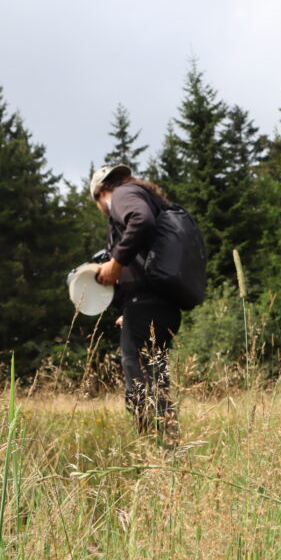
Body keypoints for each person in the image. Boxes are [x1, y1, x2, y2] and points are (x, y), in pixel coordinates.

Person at [90, 164, 182, 444]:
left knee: (140, 386)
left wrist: (116, 264)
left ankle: (154, 451)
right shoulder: (150, 198)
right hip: (162, 304)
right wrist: (130, 310)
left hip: (147, 303)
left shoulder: (121, 195)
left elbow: (140, 221)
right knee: (157, 383)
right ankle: (171, 449)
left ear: (100, 193)